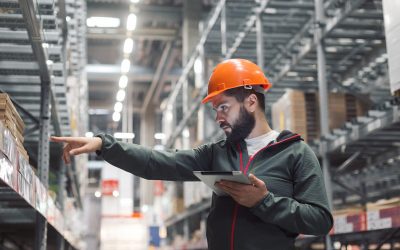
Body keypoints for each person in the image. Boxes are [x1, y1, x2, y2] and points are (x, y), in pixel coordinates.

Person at [51, 59, 333, 250]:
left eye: (224, 107)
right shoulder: (215, 154)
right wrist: (104, 144)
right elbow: (157, 163)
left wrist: (264, 201)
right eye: (215, 110)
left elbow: (320, 219)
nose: (218, 117)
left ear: (251, 101)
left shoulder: (296, 153)